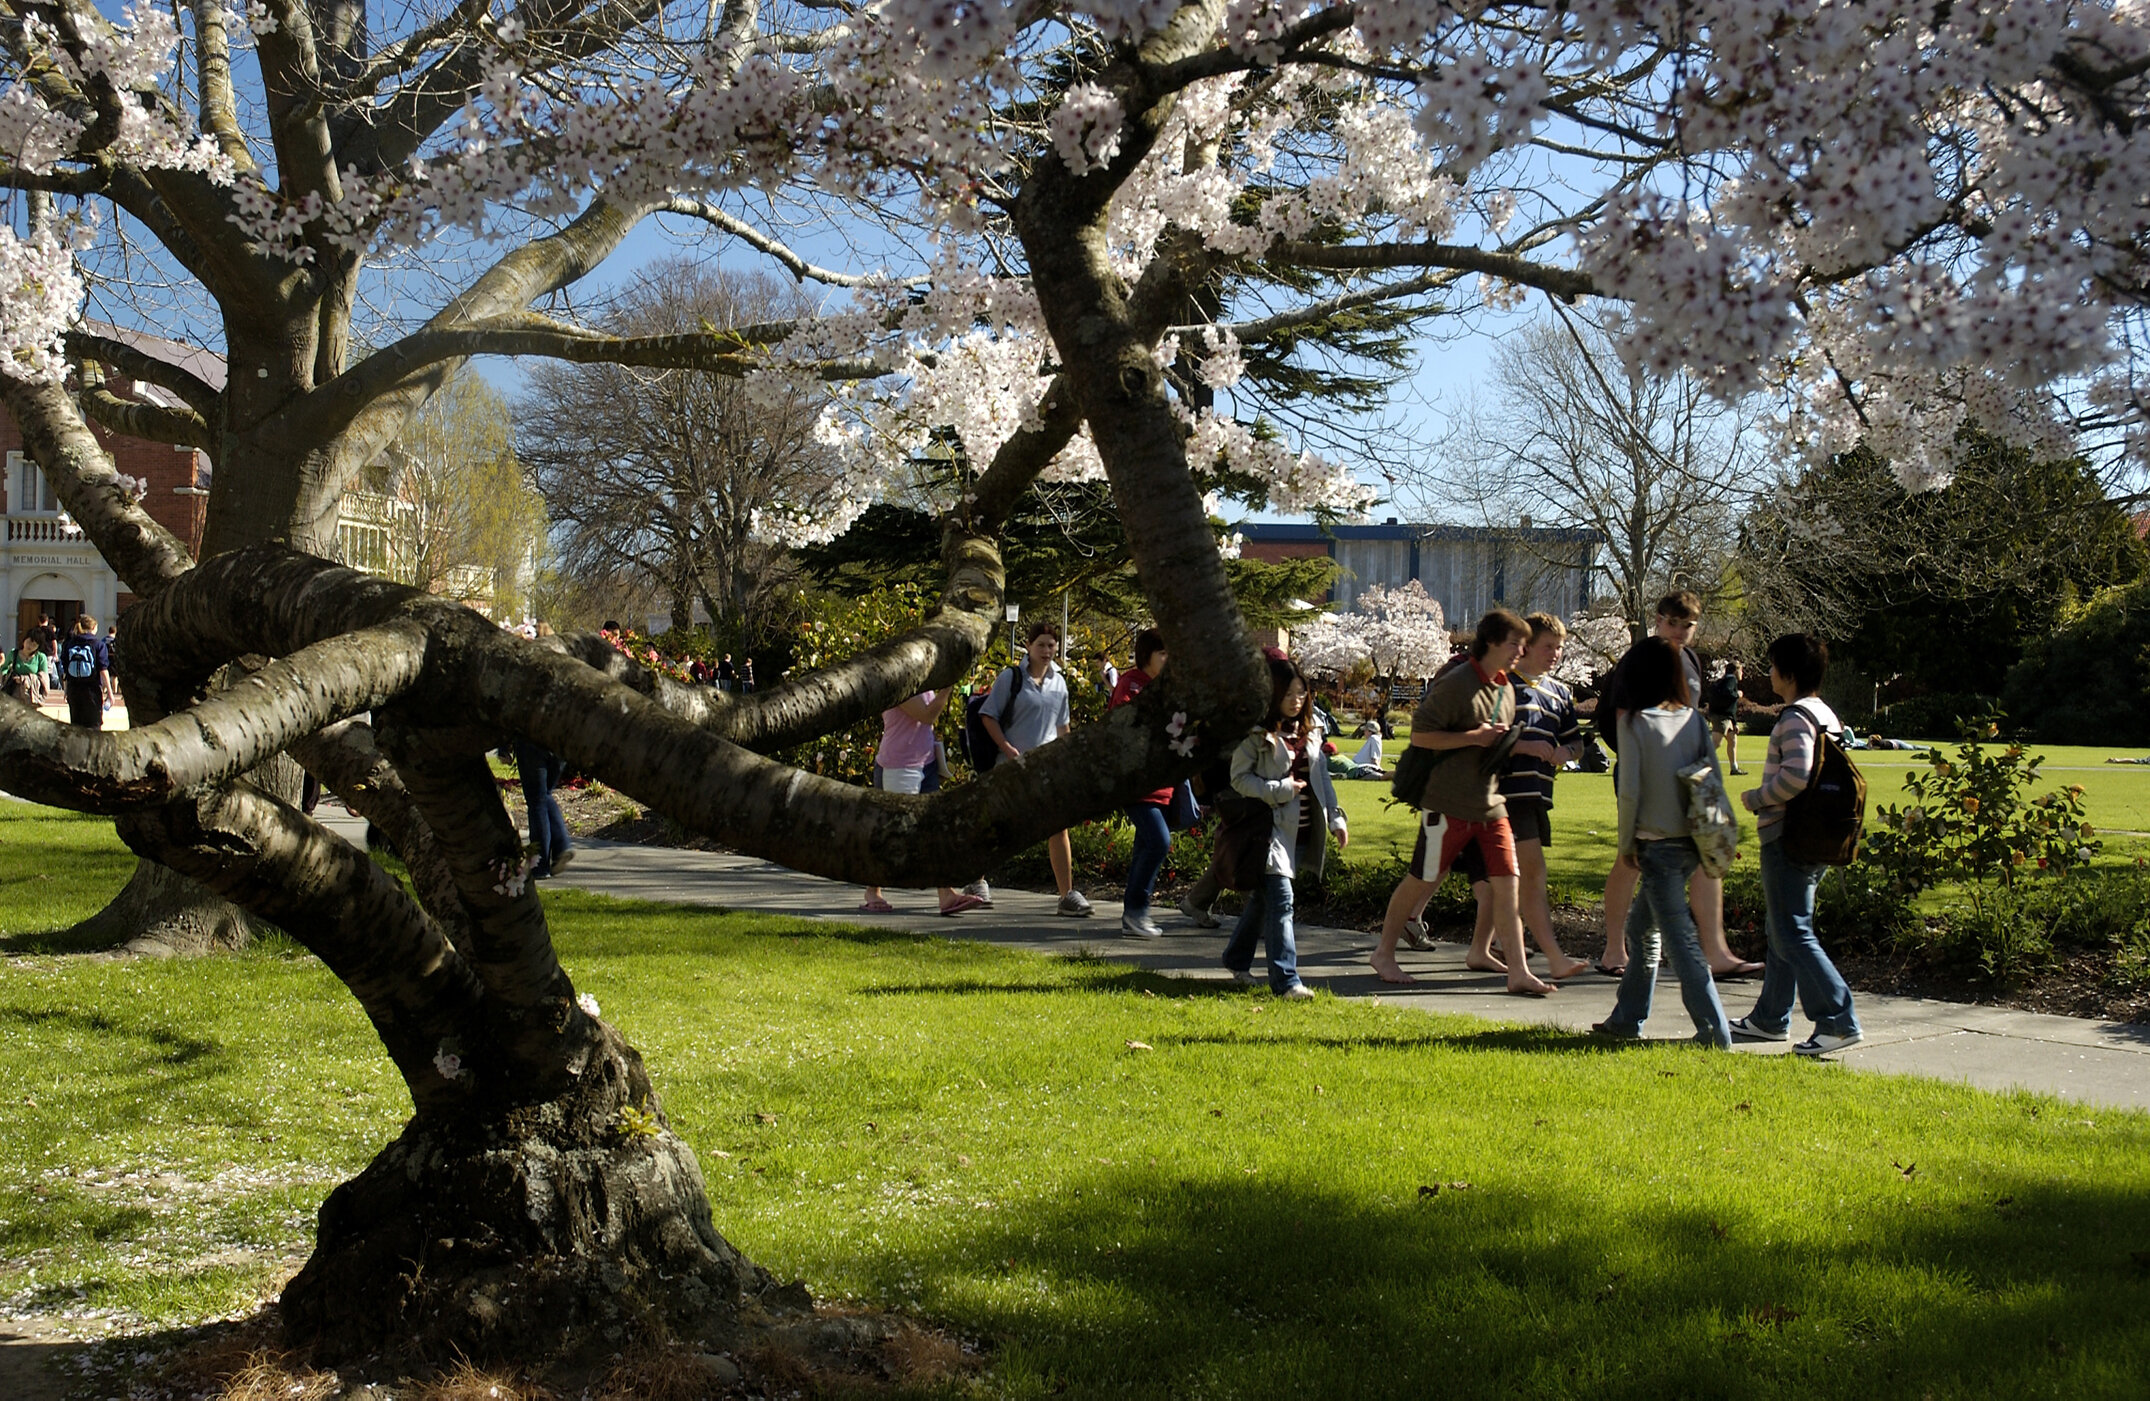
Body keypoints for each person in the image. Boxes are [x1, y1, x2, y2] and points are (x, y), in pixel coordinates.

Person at [1368, 609, 1553, 995]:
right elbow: (1421, 737)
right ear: (1491, 644)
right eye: (1514, 644)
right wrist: (1474, 737)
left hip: (1491, 803)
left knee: (1507, 884)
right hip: (1447, 804)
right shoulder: (1457, 684)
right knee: (1421, 878)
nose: (1521, 651)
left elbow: (1490, 740)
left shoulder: (1505, 688)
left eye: (1523, 644)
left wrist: (1505, 741)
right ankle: (1384, 952)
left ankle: (1517, 971)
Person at [1596, 593, 1762, 980]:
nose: (1679, 632)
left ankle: (1716, 951)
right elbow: (1622, 719)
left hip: (1689, 776)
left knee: (1707, 852)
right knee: (1630, 857)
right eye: (1673, 623)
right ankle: (1613, 949)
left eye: (1687, 625)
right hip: (1644, 775)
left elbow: (1689, 718)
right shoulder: (1641, 660)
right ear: (1658, 620)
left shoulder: (1690, 662)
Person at [1590, 637, 1734, 1047]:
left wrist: (1626, 845)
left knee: (1680, 940)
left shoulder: (1635, 723)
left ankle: (1713, 1031)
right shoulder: (1692, 720)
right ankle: (1627, 1017)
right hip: (1693, 840)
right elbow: (1713, 779)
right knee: (1642, 929)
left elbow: (1630, 791)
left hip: (1657, 844)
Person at [1729, 634, 1864, 1057]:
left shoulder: (1792, 718)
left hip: (1790, 836)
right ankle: (1770, 1018)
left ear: (1788, 673)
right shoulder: (1826, 715)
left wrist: (1757, 796)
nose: (1768, 673)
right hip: (1818, 834)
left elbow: (1796, 776)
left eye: (1773, 666)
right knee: (1782, 928)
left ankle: (1838, 1020)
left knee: (1792, 931)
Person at [1447, 615, 1595, 981]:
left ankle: (1480, 950)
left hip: (1535, 796)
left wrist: (1566, 753)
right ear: (1527, 646)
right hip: (1500, 795)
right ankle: (1554, 957)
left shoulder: (1558, 693)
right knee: (1529, 875)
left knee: (1503, 881)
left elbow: (1576, 742)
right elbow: (1486, 738)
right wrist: (1525, 746)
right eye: (1549, 647)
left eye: (1560, 648)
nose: (1556, 654)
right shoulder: (1502, 685)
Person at [1220, 655, 1325, 999]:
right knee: (1282, 900)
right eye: (1289, 694)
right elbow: (1238, 777)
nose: (1296, 701)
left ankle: (1236, 958)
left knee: (1264, 901)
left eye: (1301, 694)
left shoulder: (1311, 734)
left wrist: (1337, 819)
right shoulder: (1257, 735)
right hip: (1270, 830)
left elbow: (1323, 781)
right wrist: (1277, 790)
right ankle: (1286, 980)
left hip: (1301, 832)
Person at [979, 620, 1089, 916]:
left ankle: (1067, 895)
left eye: (1051, 645)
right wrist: (1006, 748)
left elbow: (1062, 727)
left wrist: (1068, 763)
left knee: (1058, 828)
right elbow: (988, 715)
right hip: (1011, 769)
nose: (1046, 650)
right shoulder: (1011, 677)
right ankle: (977, 881)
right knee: (998, 826)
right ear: (1028, 646)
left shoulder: (1060, 683)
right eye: (1041, 644)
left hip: (1047, 771)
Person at [860, 690, 986, 916]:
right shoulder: (900, 686)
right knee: (896, 832)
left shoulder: (923, 683)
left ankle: (946, 894)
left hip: (926, 762)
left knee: (935, 828)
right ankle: (872, 890)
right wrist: (946, 690)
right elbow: (926, 715)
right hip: (899, 765)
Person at [1109, 629, 1174, 938]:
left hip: (1162, 784)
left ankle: (1132, 916)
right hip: (1137, 782)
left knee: (1145, 846)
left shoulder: (1167, 688)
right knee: (1159, 841)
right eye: (1163, 654)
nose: (1167, 659)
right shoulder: (1131, 682)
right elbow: (1122, 722)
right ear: (1147, 654)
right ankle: (1136, 911)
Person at [512, 738, 574, 879]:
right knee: (544, 795)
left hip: (531, 743)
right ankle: (561, 846)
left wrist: (504, 748)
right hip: (559, 742)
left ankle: (540, 865)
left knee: (537, 802)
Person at [57, 615, 113, 730]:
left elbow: (66, 670)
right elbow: (103, 669)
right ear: (93, 627)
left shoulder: (69, 644)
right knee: (93, 725)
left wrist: (66, 690)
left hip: (73, 689)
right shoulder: (98, 644)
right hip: (91, 690)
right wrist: (110, 692)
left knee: (76, 726)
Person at [1707, 660, 1747, 774]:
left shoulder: (1723, 680)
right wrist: (1737, 694)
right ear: (1735, 671)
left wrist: (1735, 723)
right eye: (1741, 671)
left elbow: (1731, 706)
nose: (1742, 674)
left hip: (1723, 716)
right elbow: (1728, 693)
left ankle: (1734, 768)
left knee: (1732, 740)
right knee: (1716, 743)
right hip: (1722, 717)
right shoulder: (1731, 679)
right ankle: (1698, 764)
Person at [5, 633, 49, 705]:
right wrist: (8, 676)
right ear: (24, 640)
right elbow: (4, 669)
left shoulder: (41, 657)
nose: (30, 646)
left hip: (31, 695)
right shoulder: (13, 653)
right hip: (14, 692)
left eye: (34, 645)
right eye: (29, 642)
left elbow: (44, 679)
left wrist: (25, 679)